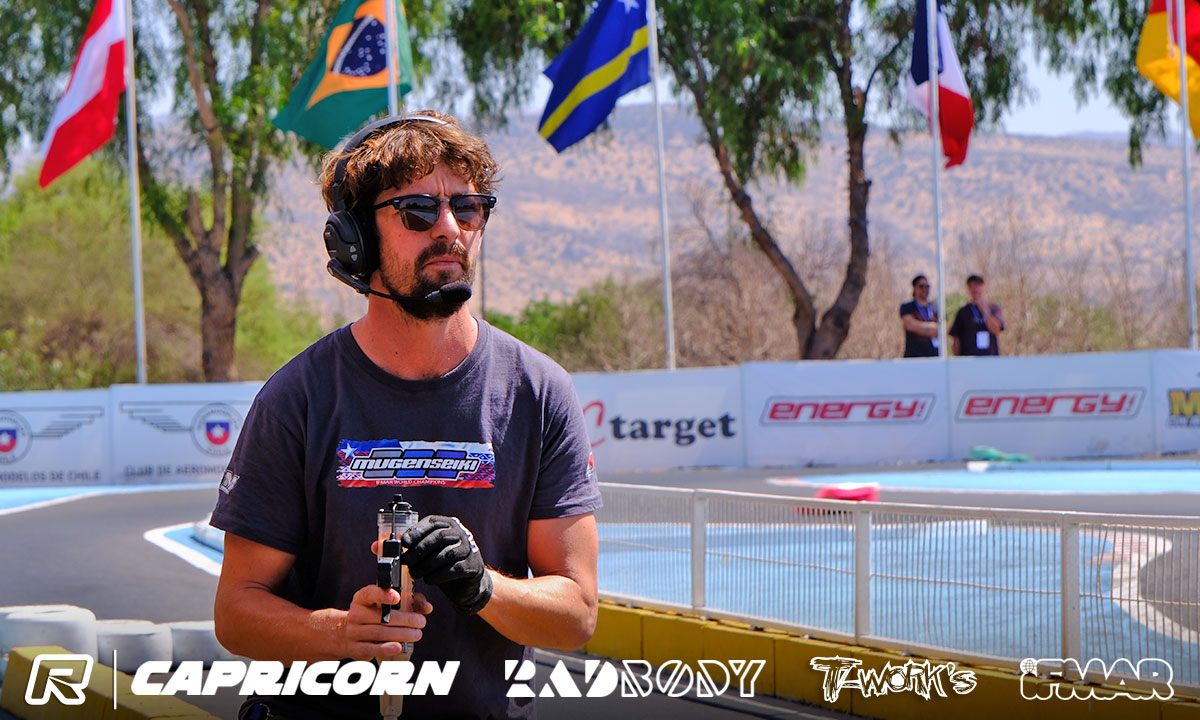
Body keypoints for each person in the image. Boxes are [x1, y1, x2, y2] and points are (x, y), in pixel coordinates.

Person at [210, 111, 601, 720]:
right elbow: (236, 612)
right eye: (417, 211)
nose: (449, 228)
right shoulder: (296, 399)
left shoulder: (539, 391)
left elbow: (577, 616)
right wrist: (339, 633)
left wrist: (483, 585)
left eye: (468, 208)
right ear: (356, 240)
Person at [948, 274, 1005, 356]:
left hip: (990, 357)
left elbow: (996, 329)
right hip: (969, 358)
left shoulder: (994, 308)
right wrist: (958, 360)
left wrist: (985, 312)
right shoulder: (963, 312)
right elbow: (956, 339)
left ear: (984, 287)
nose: (975, 289)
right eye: (972, 286)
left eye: (977, 285)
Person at [899, 274, 939, 357]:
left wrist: (921, 327)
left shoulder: (936, 308)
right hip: (914, 357)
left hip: (934, 356)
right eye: (921, 286)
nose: (924, 289)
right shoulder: (907, 307)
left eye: (927, 286)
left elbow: (943, 329)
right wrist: (933, 327)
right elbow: (910, 325)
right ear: (914, 288)